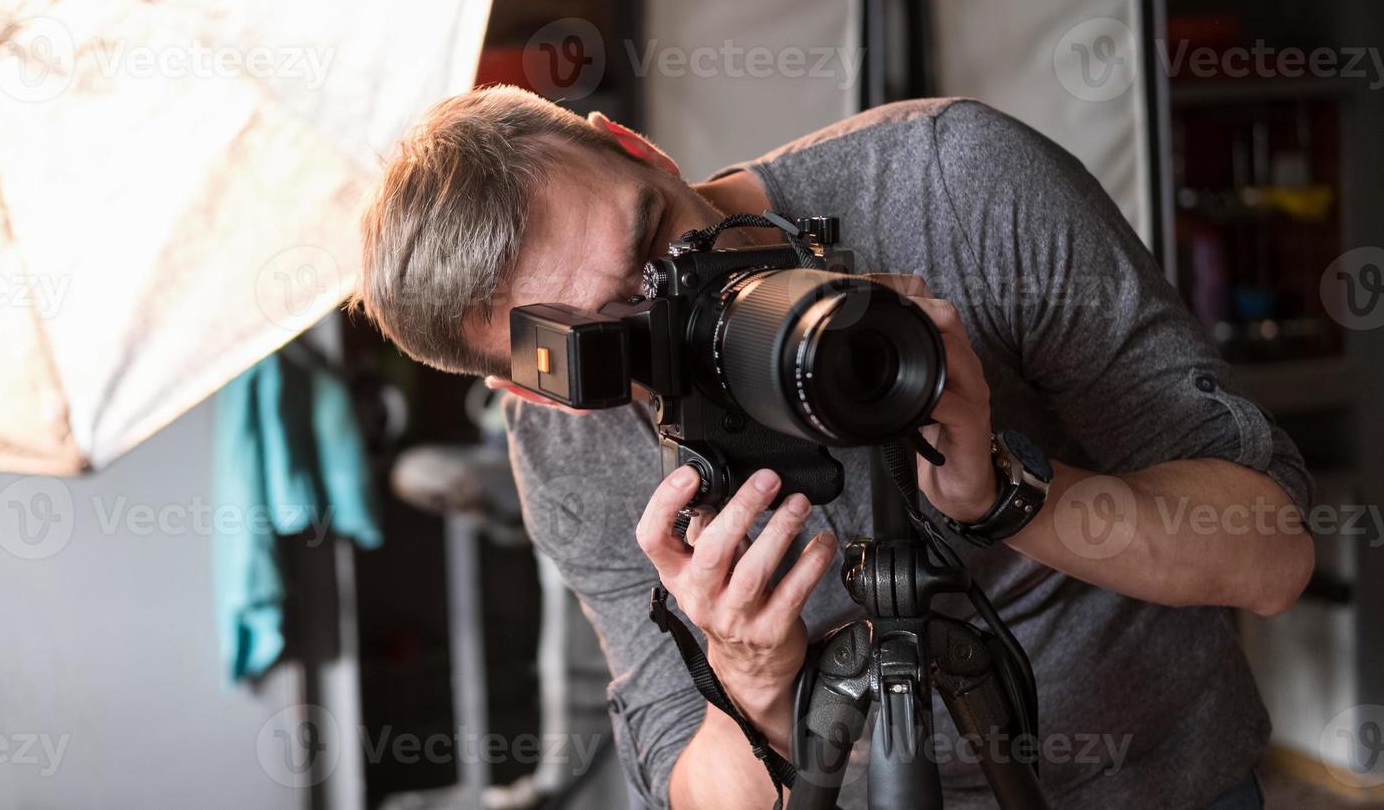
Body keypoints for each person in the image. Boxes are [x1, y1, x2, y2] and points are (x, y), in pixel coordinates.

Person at [356, 85, 1314, 809]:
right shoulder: (563, 449)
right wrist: (748, 684)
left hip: (1160, 783)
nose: (674, 305)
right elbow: (689, 789)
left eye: (662, 241)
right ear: (533, 385)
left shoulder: (953, 182)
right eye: (614, 336)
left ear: (635, 146)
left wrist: (1012, 493)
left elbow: (1271, 556)